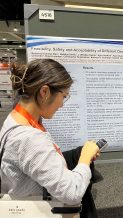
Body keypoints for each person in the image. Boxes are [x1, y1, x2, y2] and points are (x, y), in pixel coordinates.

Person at [0, 59, 100, 207]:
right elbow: (71, 193)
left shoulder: (16, 118)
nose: (61, 104)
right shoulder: (29, 138)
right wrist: (84, 159)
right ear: (44, 92)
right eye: (64, 96)